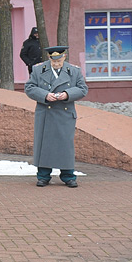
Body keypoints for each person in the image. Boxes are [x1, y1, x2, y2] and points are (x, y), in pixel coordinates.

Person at [24, 46, 88, 188]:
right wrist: (45, 95)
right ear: (49, 58)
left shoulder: (74, 71)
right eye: (54, 61)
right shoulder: (38, 70)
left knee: (65, 146)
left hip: (65, 113)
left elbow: (83, 89)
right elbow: (29, 88)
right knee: (44, 145)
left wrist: (67, 94)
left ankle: (68, 176)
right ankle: (43, 176)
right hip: (46, 112)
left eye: (59, 61)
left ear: (64, 57)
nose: (57, 63)